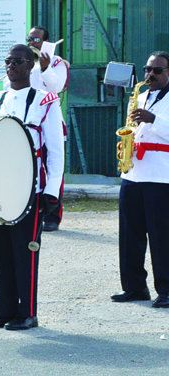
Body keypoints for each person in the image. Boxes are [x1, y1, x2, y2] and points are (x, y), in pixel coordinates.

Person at [0, 44, 64, 330]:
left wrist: (52, 191)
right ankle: (5, 311)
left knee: (24, 252)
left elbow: (55, 150)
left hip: (30, 188)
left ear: (31, 65)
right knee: (1, 250)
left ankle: (27, 312)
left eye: (17, 61)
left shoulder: (46, 101)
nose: (11, 66)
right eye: (7, 61)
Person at [111, 51, 169, 309]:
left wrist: (153, 119)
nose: (150, 75)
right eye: (148, 70)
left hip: (161, 175)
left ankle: (166, 290)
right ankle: (134, 287)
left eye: (157, 70)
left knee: (161, 235)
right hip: (133, 172)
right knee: (130, 234)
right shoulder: (141, 95)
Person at [4, 26, 70, 232]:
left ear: (46, 42)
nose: (32, 42)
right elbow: (9, 87)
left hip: (48, 119)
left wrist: (45, 68)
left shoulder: (57, 62)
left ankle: (52, 214)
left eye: (36, 39)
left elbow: (57, 87)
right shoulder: (23, 61)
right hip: (25, 121)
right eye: (29, 38)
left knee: (51, 165)